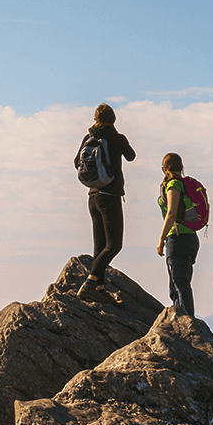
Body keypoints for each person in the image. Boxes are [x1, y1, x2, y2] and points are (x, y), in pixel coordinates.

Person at [74, 103, 136, 305]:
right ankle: (90, 284)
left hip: (92, 196)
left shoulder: (88, 138)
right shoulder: (117, 138)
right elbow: (131, 156)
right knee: (114, 244)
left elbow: (76, 162)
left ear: (95, 118)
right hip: (110, 195)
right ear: (114, 119)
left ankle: (100, 290)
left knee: (99, 246)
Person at [157, 152, 199, 316]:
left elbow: (172, 213)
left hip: (178, 238)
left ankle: (188, 323)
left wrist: (161, 239)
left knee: (179, 285)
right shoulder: (184, 184)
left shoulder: (173, 184)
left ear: (164, 168)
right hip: (190, 238)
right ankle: (184, 319)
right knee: (180, 284)